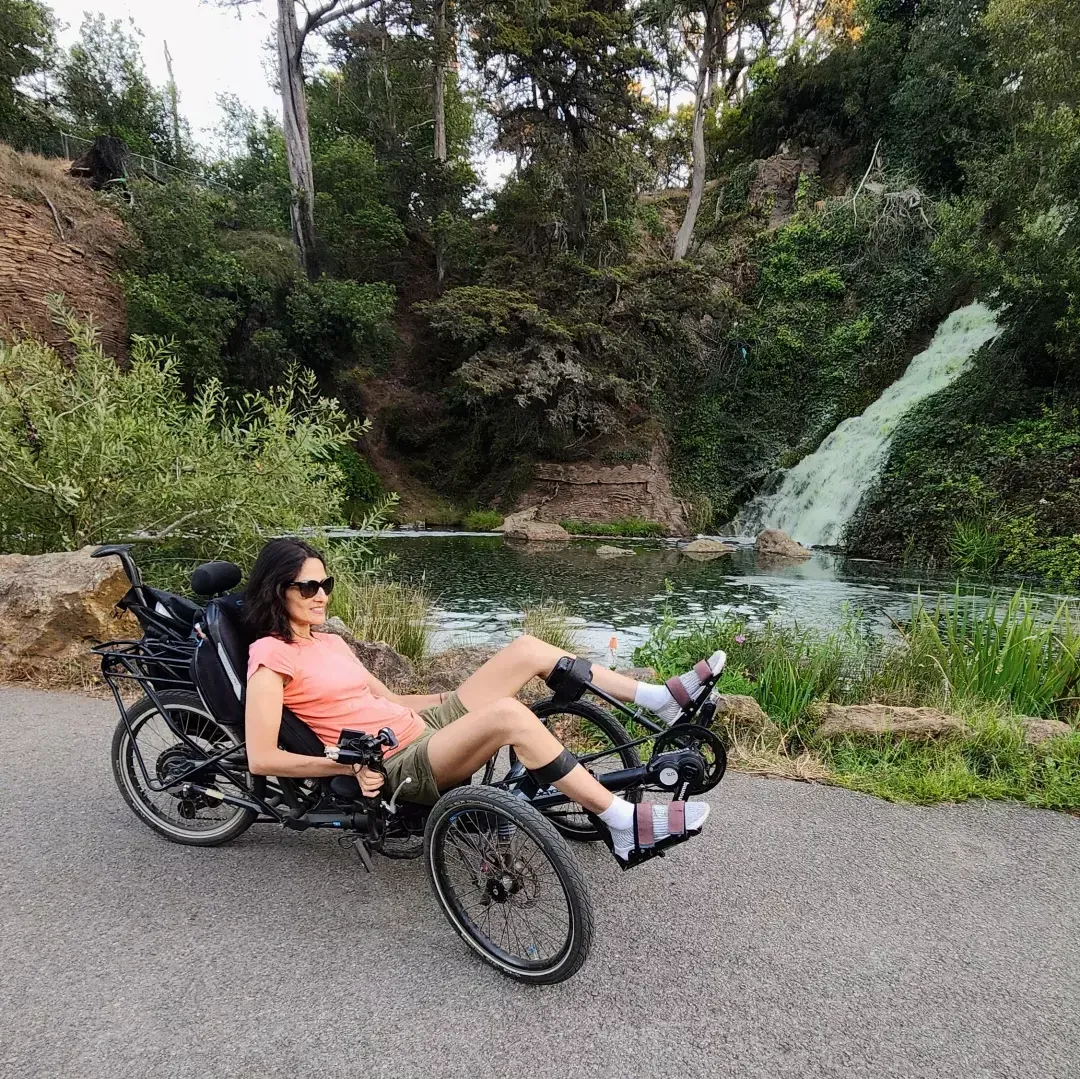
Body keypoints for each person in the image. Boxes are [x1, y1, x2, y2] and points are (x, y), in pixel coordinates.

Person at [243, 537, 719, 863]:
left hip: (419, 725)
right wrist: (347, 767)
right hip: (397, 762)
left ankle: (660, 700)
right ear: (277, 589)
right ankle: (621, 822)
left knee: (527, 650)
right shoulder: (271, 656)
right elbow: (263, 757)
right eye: (308, 587)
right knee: (509, 716)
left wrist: (463, 695)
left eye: (326, 584)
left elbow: (391, 698)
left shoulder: (327, 641)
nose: (321, 595)